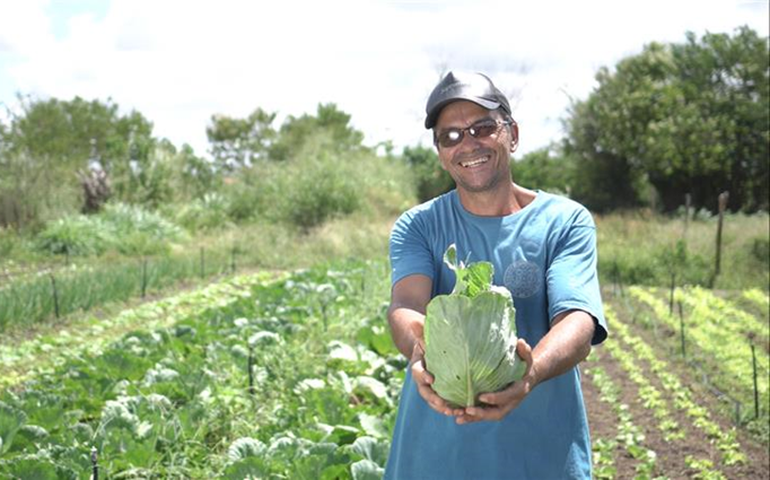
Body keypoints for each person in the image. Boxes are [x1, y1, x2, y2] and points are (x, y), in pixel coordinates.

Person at [384, 71, 608, 479]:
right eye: (450, 136)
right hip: (435, 458)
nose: (468, 143)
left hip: (541, 457)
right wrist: (420, 351)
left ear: (513, 134)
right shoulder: (418, 225)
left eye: (483, 127)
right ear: (440, 152)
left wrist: (530, 374)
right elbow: (405, 306)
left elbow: (578, 318)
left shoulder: (565, 221)